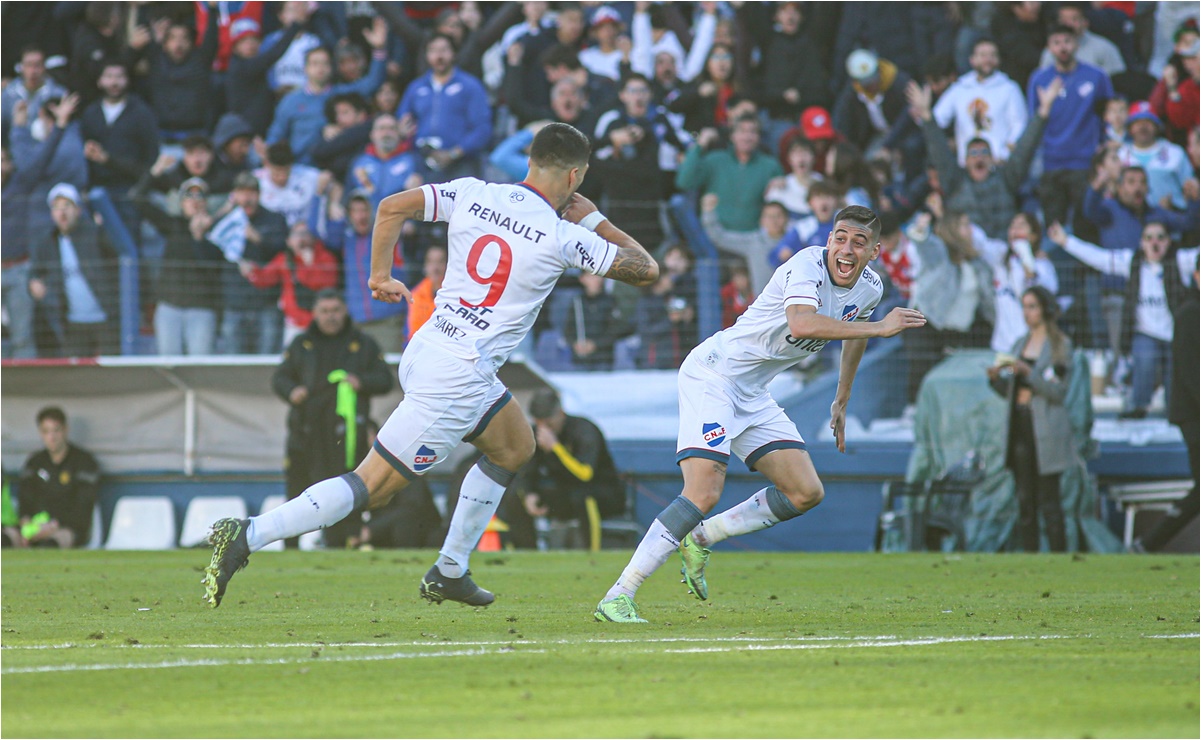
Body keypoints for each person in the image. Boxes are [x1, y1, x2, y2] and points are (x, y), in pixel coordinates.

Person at [202, 122, 659, 608]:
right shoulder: (564, 236)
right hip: (458, 376)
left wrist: (380, 275)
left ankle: (450, 570)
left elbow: (390, 207)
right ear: (574, 177)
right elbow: (646, 268)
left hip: (432, 347)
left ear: (529, 160)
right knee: (372, 487)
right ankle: (248, 533)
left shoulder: (473, 192)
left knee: (514, 447)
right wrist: (595, 221)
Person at [594, 206, 927, 622]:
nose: (846, 248)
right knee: (703, 491)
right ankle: (619, 594)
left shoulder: (870, 289)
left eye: (858, 242)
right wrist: (881, 328)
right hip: (714, 375)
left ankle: (702, 536)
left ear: (874, 251)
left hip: (752, 392)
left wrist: (842, 397)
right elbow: (803, 324)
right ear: (829, 240)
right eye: (840, 237)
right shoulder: (807, 265)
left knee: (805, 491)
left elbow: (852, 334)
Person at [271, 290, 393, 549]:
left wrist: (361, 382)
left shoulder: (363, 343)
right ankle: (290, 546)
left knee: (344, 491)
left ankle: (342, 545)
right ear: (315, 313)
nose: (331, 317)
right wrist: (292, 391)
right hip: (306, 433)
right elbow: (279, 378)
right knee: (297, 489)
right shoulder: (301, 344)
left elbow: (385, 380)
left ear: (345, 311)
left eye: (335, 310)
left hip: (346, 437)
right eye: (325, 311)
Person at [1048, 221, 1197, 419]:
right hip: (1146, 332)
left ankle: (1175, 411)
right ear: (1141, 242)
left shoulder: (1180, 261)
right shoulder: (1131, 261)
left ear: (1169, 241)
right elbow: (1099, 258)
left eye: (1160, 237)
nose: (1155, 243)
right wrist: (1066, 241)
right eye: (1149, 238)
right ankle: (1139, 406)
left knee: (1176, 373)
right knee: (1144, 358)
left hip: (1175, 332)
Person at [909, 75, 1058, 239]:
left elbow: (1025, 148)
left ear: (993, 159)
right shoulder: (955, 180)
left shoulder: (1006, 178)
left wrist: (1044, 111)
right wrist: (926, 114)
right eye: (973, 153)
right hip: (967, 255)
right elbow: (939, 150)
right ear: (965, 161)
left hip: (1003, 254)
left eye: (984, 153)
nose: (979, 157)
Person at [986, 286, 1077, 552]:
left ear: (1045, 309)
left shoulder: (1060, 346)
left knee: (1049, 501)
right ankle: (1030, 557)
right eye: (1024, 306)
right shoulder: (1019, 343)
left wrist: (1029, 372)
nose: (1027, 313)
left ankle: (1058, 556)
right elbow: (1013, 393)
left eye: (1032, 306)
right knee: (1025, 500)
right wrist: (995, 381)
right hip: (1021, 427)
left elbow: (1057, 391)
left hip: (1046, 431)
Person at [1132, 256, 1198, 552]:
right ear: (1196, 275)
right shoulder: (1190, 314)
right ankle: (1148, 543)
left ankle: (1148, 543)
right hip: (1194, 414)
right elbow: (1191, 369)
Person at [265, 22, 388, 166]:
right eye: (315, 63)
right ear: (305, 68)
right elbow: (275, 136)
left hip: (333, 167)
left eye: (325, 63)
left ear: (331, 68)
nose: (320, 68)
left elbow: (372, 83)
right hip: (298, 168)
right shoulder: (291, 101)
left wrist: (379, 49)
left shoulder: (341, 94)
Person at [1028, 24, 1113, 228]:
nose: (1062, 47)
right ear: (1049, 47)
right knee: (1053, 226)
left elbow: (1107, 115)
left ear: (1076, 44)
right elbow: (1034, 122)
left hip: (1085, 163)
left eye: (1067, 41)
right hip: (1051, 163)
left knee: (1087, 224)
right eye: (1056, 43)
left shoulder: (1096, 76)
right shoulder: (1039, 79)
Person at [518, 388, 625, 548]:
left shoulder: (584, 429)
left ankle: (593, 554)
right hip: (563, 492)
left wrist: (555, 448)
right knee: (515, 494)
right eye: (538, 422)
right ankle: (526, 552)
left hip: (601, 492)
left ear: (560, 413)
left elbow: (584, 474)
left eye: (548, 423)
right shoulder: (537, 433)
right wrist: (529, 493)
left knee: (582, 496)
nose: (544, 428)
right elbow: (527, 469)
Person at [131, 176, 225, 356]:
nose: (195, 201)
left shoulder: (218, 230)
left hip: (202, 308)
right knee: (169, 365)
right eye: (190, 196)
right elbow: (137, 198)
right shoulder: (172, 224)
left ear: (206, 202)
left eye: (200, 196)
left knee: (201, 366)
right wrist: (155, 172)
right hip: (170, 307)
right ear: (182, 202)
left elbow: (215, 269)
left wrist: (199, 237)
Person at [29, 183, 120, 357]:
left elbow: (119, 260)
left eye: (67, 206)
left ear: (77, 210)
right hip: (72, 323)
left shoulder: (95, 233)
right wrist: (32, 284)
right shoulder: (47, 242)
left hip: (105, 320)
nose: (61, 213)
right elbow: (35, 272)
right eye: (56, 208)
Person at [397, 34, 492, 182]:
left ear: (454, 53)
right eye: (433, 50)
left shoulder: (470, 86)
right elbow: (403, 120)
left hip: (461, 162)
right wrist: (402, 131)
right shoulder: (416, 88)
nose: (439, 56)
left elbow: (482, 128)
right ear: (426, 55)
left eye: (444, 50)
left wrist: (454, 153)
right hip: (421, 161)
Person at [216, 172, 289, 355]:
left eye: (251, 193)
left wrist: (258, 239)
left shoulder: (274, 219)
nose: (246, 198)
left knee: (267, 360)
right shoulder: (225, 220)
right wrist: (222, 213)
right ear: (234, 195)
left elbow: (283, 250)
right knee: (233, 363)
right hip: (234, 302)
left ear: (259, 195)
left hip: (266, 302)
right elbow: (212, 248)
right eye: (241, 192)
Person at [676, 115, 783, 233]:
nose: (747, 137)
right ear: (732, 136)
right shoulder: (715, 160)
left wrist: (780, 184)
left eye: (752, 132)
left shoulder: (770, 165)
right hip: (715, 234)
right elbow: (684, 182)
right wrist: (700, 145)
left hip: (753, 237)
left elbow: (780, 206)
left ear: (758, 137)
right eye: (742, 131)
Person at [241, 221, 340, 348]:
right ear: (289, 241)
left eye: (305, 233)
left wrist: (308, 265)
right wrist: (252, 271)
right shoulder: (285, 259)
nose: (301, 238)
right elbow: (265, 278)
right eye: (297, 234)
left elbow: (325, 283)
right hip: (294, 323)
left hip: (320, 323)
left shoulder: (326, 258)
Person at [932, 37, 1029, 166]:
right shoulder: (960, 88)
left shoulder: (1009, 88)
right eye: (983, 55)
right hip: (966, 167)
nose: (988, 60)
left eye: (992, 55)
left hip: (999, 165)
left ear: (999, 60)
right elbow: (938, 119)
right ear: (972, 59)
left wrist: (1004, 155)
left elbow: (1020, 125)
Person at [15, 407, 101, 549]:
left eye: (56, 430)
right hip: (34, 527)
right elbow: (25, 497)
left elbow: (84, 504)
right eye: (46, 431)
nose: (52, 437)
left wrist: (54, 525)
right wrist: (25, 521)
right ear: (40, 433)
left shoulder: (84, 462)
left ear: (65, 430)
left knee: (49, 545)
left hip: (68, 528)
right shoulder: (34, 462)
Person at [700, 194, 788, 296]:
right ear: (761, 220)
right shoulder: (754, 241)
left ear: (786, 218)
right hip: (764, 305)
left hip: (794, 302)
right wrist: (708, 212)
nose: (774, 221)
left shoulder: (797, 241)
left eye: (778, 216)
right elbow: (719, 237)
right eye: (769, 217)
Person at [1038, 2, 1126, 76]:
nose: (1069, 24)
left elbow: (1118, 82)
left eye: (1074, 19)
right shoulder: (1051, 51)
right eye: (1064, 20)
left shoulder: (1104, 48)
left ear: (1085, 22)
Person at [563, 270, 626, 370]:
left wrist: (595, 344)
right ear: (582, 279)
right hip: (580, 360)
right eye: (591, 277)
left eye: (598, 276)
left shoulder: (610, 301)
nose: (596, 280)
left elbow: (615, 330)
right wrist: (575, 344)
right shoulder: (577, 301)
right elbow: (568, 330)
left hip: (603, 359)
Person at [406, 244, 447, 340]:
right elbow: (414, 331)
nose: (435, 268)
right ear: (425, 266)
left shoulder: (455, 294)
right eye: (431, 262)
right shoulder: (416, 295)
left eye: (440, 262)